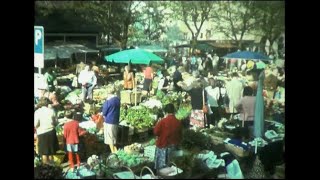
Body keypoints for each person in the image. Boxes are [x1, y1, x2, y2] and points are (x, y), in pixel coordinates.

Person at [154, 103, 182, 172]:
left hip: (163, 146)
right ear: (174, 111)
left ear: (165, 111)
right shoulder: (178, 122)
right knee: (172, 167)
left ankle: (161, 175)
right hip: (174, 147)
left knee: (162, 168)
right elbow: (180, 135)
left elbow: (156, 132)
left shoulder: (162, 121)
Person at [34, 97, 59, 165]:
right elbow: (56, 122)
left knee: (44, 153)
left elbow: (35, 124)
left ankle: (46, 170)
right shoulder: (51, 110)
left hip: (42, 133)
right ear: (47, 103)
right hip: (51, 132)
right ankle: (53, 169)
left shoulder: (37, 112)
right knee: (51, 152)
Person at [102, 87, 120, 153]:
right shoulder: (117, 99)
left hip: (109, 121)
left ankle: (113, 152)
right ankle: (115, 150)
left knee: (110, 139)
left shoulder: (108, 102)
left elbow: (104, 112)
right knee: (114, 137)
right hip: (116, 120)